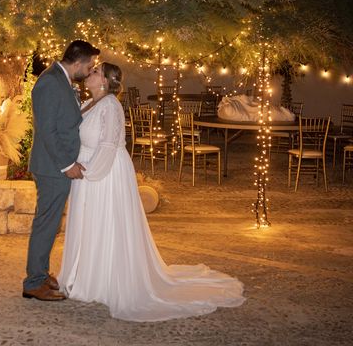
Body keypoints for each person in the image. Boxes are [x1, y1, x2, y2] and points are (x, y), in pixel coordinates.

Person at [58, 62, 246, 321]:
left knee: (107, 222)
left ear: (105, 81)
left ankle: (107, 279)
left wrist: (89, 171)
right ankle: (88, 274)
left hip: (104, 171)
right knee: (92, 223)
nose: (89, 74)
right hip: (88, 168)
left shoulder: (111, 105)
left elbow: (110, 144)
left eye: (95, 72)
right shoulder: (89, 103)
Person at [23, 40, 100, 301]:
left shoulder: (61, 80)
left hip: (55, 167)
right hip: (52, 168)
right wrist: (66, 165)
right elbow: (47, 130)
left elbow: (65, 122)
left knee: (50, 223)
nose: (90, 71)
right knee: (46, 224)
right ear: (77, 62)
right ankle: (33, 282)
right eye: (89, 65)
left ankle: (40, 274)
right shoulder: (49, 82)